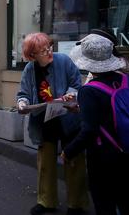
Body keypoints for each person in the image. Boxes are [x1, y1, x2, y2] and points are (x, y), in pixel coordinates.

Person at [61, 33, 129, 215]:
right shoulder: (126, 80)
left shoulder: (89, 90)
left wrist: (69, 151)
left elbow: (90, 130)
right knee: (128, 198)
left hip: (103, 155)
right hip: (128, 148)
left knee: (104, 202)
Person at [16, 33, 89, 215]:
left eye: (49, 47)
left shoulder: (64, 60)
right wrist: (22, 104)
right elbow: (23, 93)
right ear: (32, 55)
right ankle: (46, 201)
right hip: (43, 121)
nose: (49, 51)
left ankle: (76, 204)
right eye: (43, 50)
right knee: (45, 163)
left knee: (74, 160)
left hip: (68, 119)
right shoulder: (29, 70)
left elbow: (76, 84)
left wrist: (70, 95)